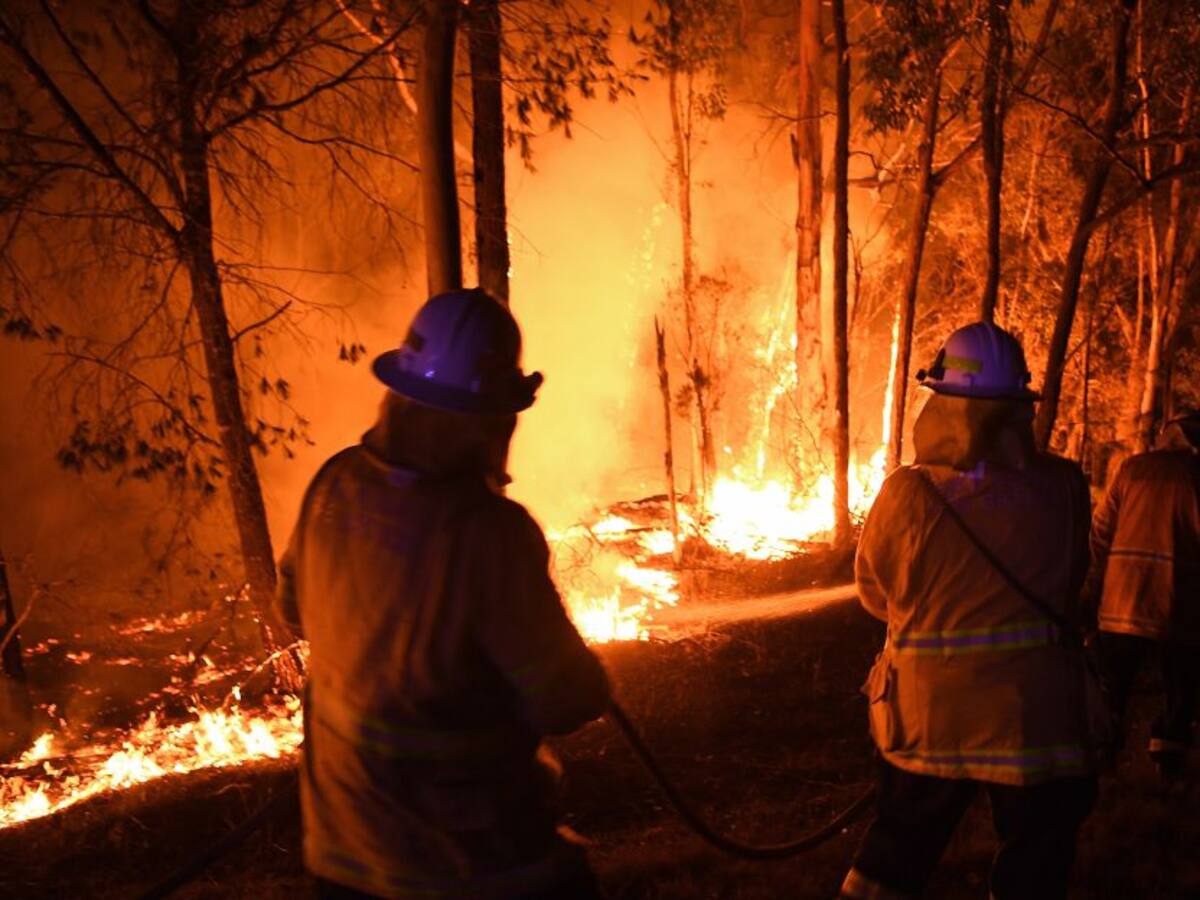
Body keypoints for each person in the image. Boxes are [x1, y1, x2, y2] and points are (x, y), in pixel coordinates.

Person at [274, 288, 611, 900]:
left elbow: (294, 609)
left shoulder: (331, 486)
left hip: (343, 858)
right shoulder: (490, 535)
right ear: (486, 419)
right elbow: (565, 700)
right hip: (472, 867)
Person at [840, 322, 1098, 900]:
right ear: (1018, 409)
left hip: (931, 720)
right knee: (1037, 860)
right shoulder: (1065, 488)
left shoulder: (907, 494)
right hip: (1035, 721)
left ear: (940, 403)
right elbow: (1071, 583)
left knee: (895, 853)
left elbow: (873, 595)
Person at [1085, 411, 1200, 777]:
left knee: (1110, 686)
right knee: (1180, 689)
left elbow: (1100, 534)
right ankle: (1167, 766)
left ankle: (1101, 759)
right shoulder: (1198, 475)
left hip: (1122, 602)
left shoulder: (1132, 469)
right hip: (1177, 607)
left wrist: (1092, 591)